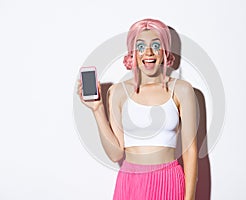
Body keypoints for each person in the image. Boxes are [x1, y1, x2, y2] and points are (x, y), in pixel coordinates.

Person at [77, 18, 198, 200]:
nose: (148, 53)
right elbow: (116, 153)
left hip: (168, 180)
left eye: (156, 46)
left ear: (165, 50)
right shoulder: (118, 92)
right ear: (133, 53)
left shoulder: (182, 90)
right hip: (130, 183)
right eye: (140, 47)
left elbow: (190, 151)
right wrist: (97, 109)